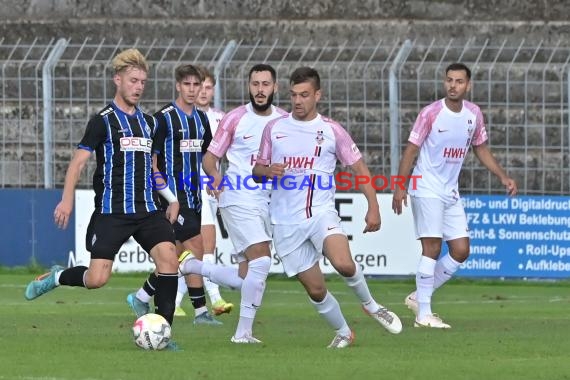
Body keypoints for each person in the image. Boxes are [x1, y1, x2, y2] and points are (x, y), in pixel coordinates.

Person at [24, 49, 181, 349]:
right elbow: (77, 163)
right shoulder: (103, 121)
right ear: (117, 80)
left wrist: (171, 199)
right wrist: (66, 201)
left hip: (148, 209)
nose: (138, 86)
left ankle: (164, 333)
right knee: (97, 279)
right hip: (113, 212)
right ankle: (57, 278)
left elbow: (154, 169)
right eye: (133, 80)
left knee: (169, 260)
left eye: (143, 82)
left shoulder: (150, 122)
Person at [252, 66, 403, 348]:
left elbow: (359, 168)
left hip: (320, 213)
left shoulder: (332, 130)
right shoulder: (274, 128)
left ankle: (370, 305)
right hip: (285, 222)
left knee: (343, 263)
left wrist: (374, 206)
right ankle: (344, 332)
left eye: (305, 95)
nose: (298, 101)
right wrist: (267, 170)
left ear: (317, 95)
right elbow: (257, 171)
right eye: (294, 95)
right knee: (316, 288)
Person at [392, 62, 518, 329]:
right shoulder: (431, 113)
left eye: (459, 81)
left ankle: (418, 297)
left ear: (467, 85)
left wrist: (503, 176)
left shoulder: (473, 114)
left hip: (450, 191)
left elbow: (480, 148)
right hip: (426, 186)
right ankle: (423, 315)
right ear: (444, 82)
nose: (453, 85)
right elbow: (411, 150)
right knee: (433, 248)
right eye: (449, 80)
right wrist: (400, 185)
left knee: (461, 250)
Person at [179, 63, 288, 343]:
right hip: (237, 198)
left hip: (268, 204)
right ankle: (243, 334)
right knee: (262, 261)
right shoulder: (235, 118)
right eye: (255, 84)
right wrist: (215, 175)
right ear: (249, 87)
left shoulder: (286, 121)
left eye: (265, 84)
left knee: (244, 278)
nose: (260, 90)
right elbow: (209, 158)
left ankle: (194, 267)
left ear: (275, 87)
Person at [125, 64, 225, 325]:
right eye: (188, 85)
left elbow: (207, 156)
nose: (193, 90)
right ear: (178, 86)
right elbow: (152, 161)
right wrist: (167, 197)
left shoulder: (202, 120)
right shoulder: (164, 118)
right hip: (173, 199)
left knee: (175, 254)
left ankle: (142, 296)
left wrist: (214, 175)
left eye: (198, 85)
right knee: (195, 248)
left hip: (194, 196)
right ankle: (202, 312)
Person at [171, 66, 233, 318]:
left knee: (193, 252)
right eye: (200, 86)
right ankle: (214, 300)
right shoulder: (183, 118)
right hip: (188, 191)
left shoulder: (222, 119)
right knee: (203, 247)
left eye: (208, 87)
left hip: (211, 189)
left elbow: (229, 154)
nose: (203, 92)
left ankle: (167, 299)